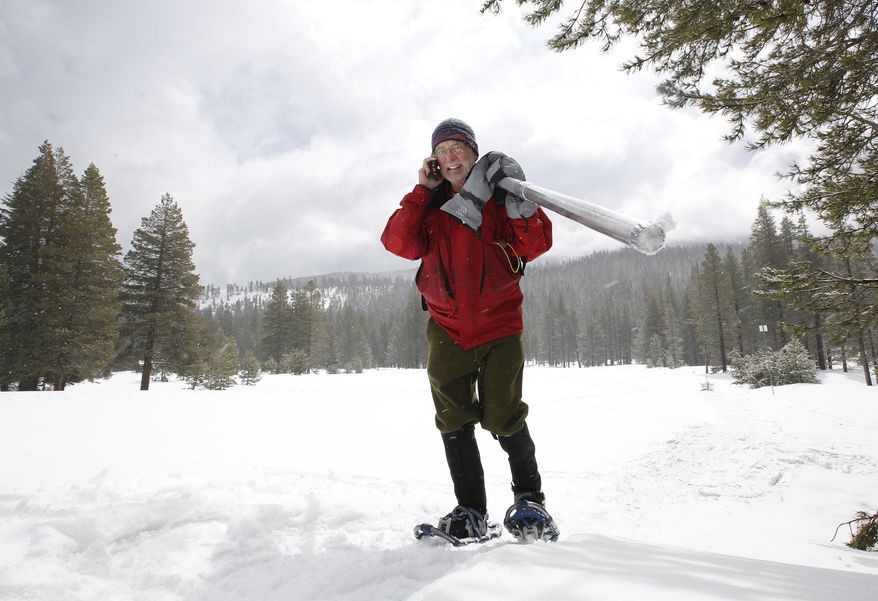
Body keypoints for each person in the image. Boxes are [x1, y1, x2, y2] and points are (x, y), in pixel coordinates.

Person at [381, 118, 559, 542]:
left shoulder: (500, 198)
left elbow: (536, 245)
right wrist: (421, 191)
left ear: (474, 153)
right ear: (434, 162)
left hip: (499, 327)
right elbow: (397, 243)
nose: (451, 157)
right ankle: (471, 512)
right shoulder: (431, 206)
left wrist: (523, 203)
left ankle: (531, 504)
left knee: (504, 415)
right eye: (442, 152)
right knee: (453, 419)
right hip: (446, 330)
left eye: (458, 148)